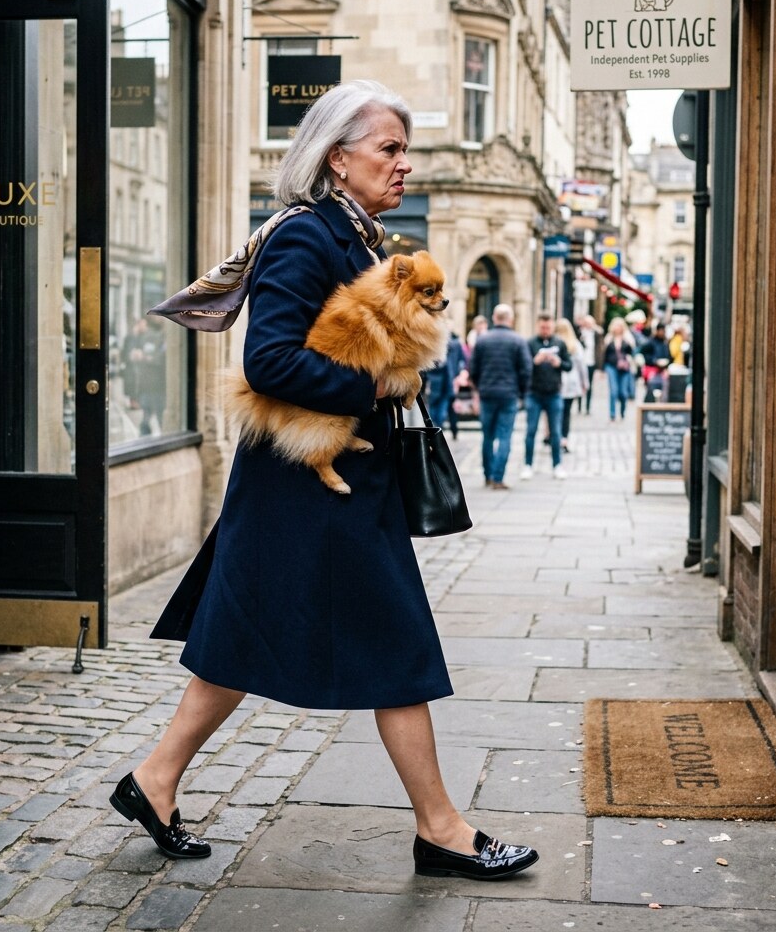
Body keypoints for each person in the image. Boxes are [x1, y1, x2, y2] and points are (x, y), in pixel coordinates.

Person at [110, 81, 538, 881]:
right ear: (338, 158)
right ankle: (441, 827)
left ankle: (153, 780)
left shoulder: (359, 240)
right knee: (398, 642)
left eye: (404, 149)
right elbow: (268, 358)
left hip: (322, 484)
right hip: (310, 484)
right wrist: (375, 385)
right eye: (390, 149)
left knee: (241, 638)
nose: (404, 165)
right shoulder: (309, 238)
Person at [469, 303, 532, 489]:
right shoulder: (518, 341)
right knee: (505, 436)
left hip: (487, 393)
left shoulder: (482, 340)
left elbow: (473, 369)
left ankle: (487, 475)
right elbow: (526, 370)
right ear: (510, 320)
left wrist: (480, 386)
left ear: (495, 318)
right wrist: (521, 391)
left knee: (487, 436)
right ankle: (498, 478)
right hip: (509, 394)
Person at [521, 312, 572, 480]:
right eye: (543, 327)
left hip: (554, 393)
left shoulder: (559, 343)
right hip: (534, 393)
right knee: (531, 430)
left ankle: (557, 465)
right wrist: (535, 361)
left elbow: (569, 365)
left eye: (548, 327)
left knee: (556, 432)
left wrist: (559, 363)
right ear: (538, 326)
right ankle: (528, 465)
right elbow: (523, 366)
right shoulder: (530, 343)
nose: (545, 330)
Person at [555, 317, 589, 452]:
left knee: (555, 413)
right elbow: (582, 366)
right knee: (566, 413)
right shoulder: (575, 344)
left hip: (556, 383)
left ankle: (555, 436)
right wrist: (584, 382)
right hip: (571, 383)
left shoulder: (554, 343)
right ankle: (564, 438)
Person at [423, 328, 465, 434]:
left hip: (444, 385)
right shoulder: (432, 346)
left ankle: (437, 430)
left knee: (440, 412)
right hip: (435, 385)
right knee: (434, 411)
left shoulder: (452, 346)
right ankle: (435, 430)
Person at [602, 315, 635, 421]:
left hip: (624, 368)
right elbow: (605, 355)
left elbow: (632, 352)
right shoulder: (609, 339)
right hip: (611, 366)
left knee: (623, 392)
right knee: (613, 390)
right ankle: (612, 413)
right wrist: (603, 369)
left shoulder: (628, 338)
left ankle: (622, 411)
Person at [638, 322, 672, 402]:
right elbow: (643, 354)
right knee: (651, 389)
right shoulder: (650, 342)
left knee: (664, 389)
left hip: (663, 370)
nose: (662, 333)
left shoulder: (665, 343)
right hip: (651, 369)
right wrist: (654, 361)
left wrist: (667, 363)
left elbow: (669, 356)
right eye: (661, 331)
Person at [576, 315, 599, 414]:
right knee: (580, 383)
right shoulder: (579, 333)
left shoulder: (596, 334)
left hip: (591, 362)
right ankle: (579, 406)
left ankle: (588, 407)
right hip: (581, 362)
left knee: (589, 385)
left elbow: (599, 349)